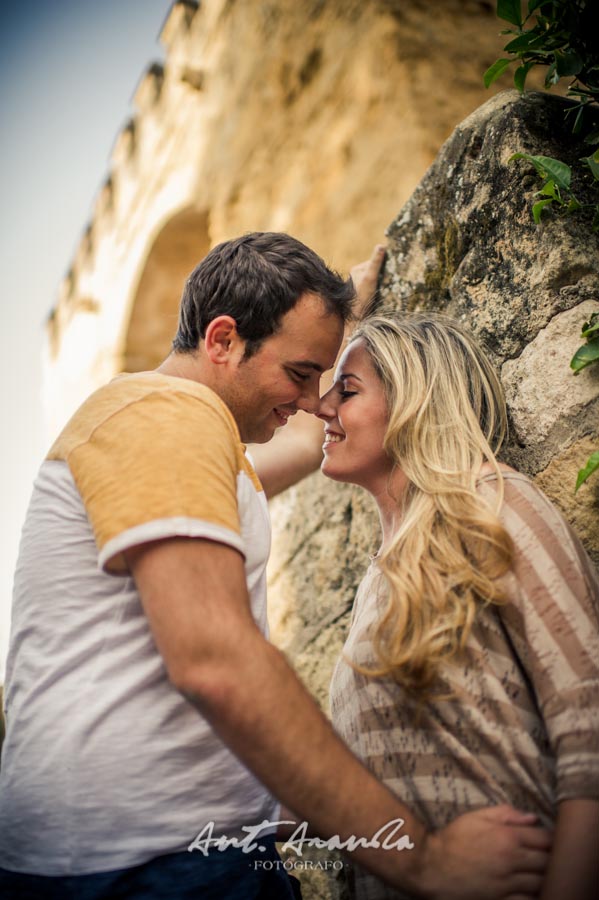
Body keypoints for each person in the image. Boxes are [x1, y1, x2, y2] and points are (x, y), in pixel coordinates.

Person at [0, 233, 551, 900]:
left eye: (326, 381)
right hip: (148, 868)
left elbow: (299, 449)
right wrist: (423, 859)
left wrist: (337, 313)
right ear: (224, 339)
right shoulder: (163, 414)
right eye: (300, 374)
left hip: (159, 858)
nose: (317, 400)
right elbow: (216, 660)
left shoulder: (183, 442)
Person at [305, 309, 599, 900]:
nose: (320, 406)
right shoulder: (374, 582)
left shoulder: (493, 506)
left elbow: (589, 734)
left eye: (348, 389)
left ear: (414, 400)